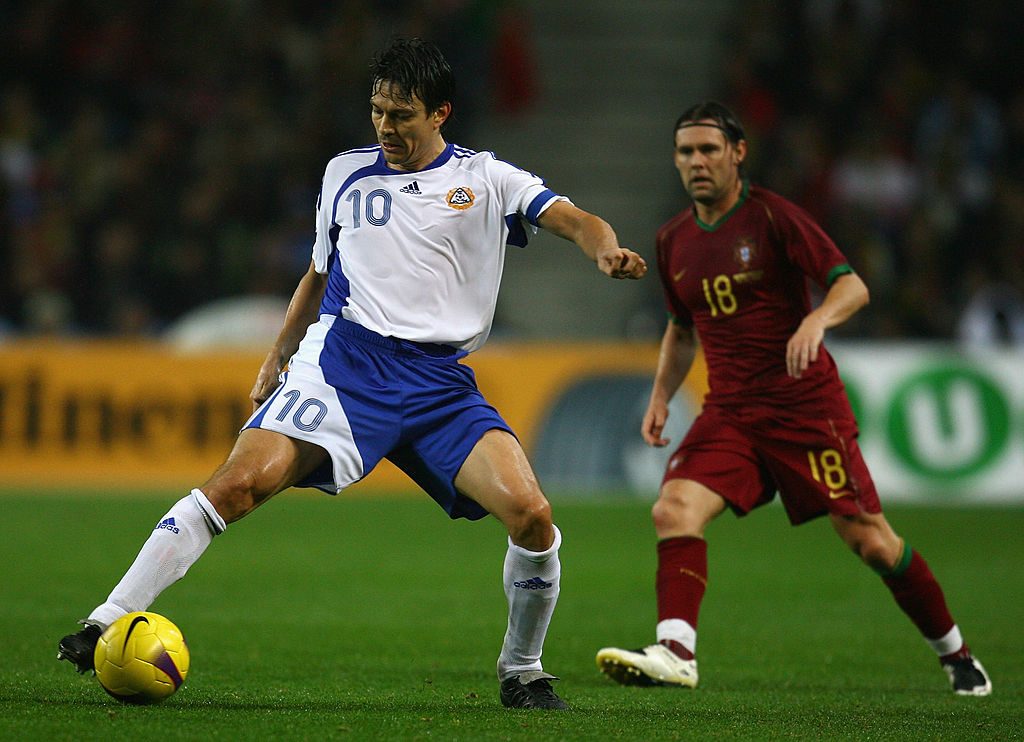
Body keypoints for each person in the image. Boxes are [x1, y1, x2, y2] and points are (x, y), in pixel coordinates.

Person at [57, 37, 647, 710]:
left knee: (532, 515)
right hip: (344, 367)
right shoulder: (344, 174)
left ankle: (522, 670)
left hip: (439, 385)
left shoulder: (488, 180)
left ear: (441, 113)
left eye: (403, 114)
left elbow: (574, 219)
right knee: (239, 483)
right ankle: (106, 618)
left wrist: (605, 249)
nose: (387, 128)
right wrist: (278, 355)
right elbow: (316, 274)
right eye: (378, 112)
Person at [595, 101, 991, 696]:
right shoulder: (673, 239)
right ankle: (677, 651)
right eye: (685, 152)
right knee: (672, 508)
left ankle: (957, 654)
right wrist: (659, 397)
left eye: (708, 150)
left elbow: (852, 286)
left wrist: (816, 322)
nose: (696, 162)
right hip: (730, 413)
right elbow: (682, 329)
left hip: (804, 410)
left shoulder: (774, 219)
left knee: (872, 543)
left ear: (737, 153)